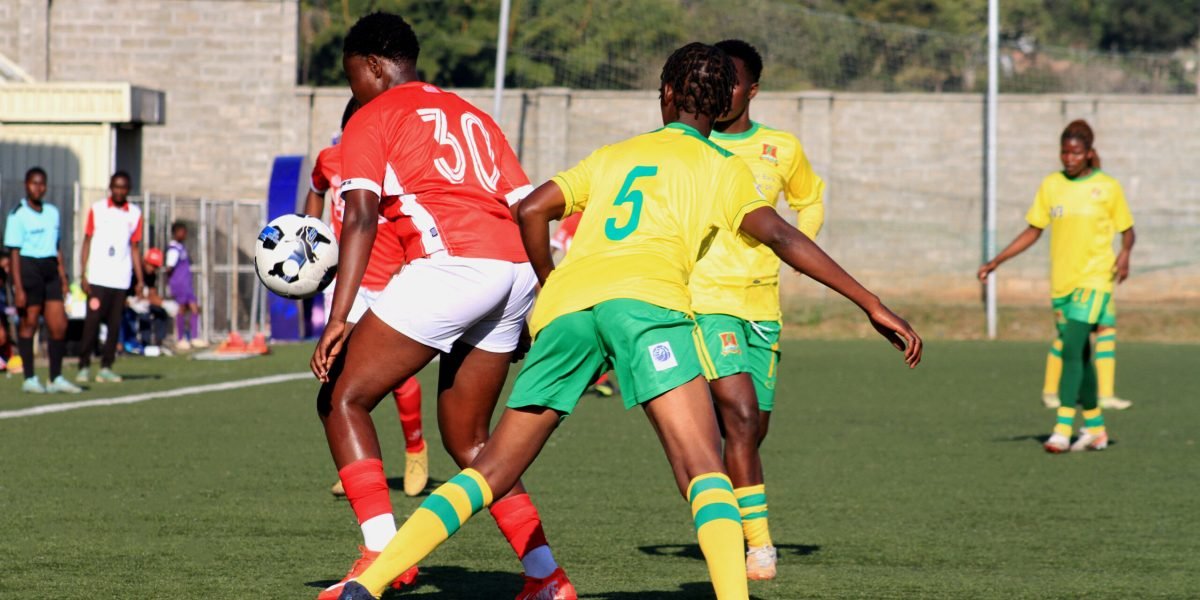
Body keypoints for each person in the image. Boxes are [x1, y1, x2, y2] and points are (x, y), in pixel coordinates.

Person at [339, 42, 921, 600]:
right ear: (723, 107)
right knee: (702, 465)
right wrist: (870, 302)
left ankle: (371, 582)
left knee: (490, 467)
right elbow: (782, 236)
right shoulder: (722, 166)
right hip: (647, 307)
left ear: (665, 93)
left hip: (570, 310)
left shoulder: (615, 154)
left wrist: (551, 282)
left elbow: (533, 207)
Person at [308, 12, 572, 600]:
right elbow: (526, 206)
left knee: (341, 397)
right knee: (473, 442)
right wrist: (532, 297)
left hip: (454, 264)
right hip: (513, 269)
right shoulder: (473, 114)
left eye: (352, 77)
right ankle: (547, 577)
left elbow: (361, 217)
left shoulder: (372, 115)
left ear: (372, 65)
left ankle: (383, 558)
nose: (354, 89)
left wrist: (338, 317)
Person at [687, 38, 826, 580]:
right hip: (707, 301)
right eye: (715, 81)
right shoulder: (691, 144)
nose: (722, 91)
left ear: (752, 90)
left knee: (750, 430)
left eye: (733, 82)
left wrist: (799, 253)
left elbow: (809, 200)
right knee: (741, 418)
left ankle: (721, 514)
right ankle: (759, 547)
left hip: (762, 306)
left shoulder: (781, 148)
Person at [978, 119, 1134, 453]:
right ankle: (1096, 429)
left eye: (1075, 153)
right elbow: (1033, 230)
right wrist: (997, 261)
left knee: (1071, 348)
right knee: (1082, 355)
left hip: (1095, 280)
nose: (1069, 158)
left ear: (1088, 153)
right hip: (1062, 284)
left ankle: (1062, 429)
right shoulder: (1052, 185)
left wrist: (1124, 255)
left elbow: (1128, 230)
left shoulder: (1107, 187)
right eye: (1064, 152)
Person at [302, 97, 430, 500]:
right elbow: (316, 189)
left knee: (397, 375)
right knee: (340, 373)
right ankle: (355, 464)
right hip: (348, 285)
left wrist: (409, 263)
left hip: (392, 278)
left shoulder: (396, 161)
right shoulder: (329, 159)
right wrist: (309, 232)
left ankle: (415, 450)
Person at [3, 167, 80, 393]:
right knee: (30, 323)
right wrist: (18, 287)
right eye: (34, 183)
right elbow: (14, 253)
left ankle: (55, 377)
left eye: (42, 184)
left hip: (50, 269)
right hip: (29, 268)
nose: (38, 188)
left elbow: (57, 247)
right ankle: (29, 378)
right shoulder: (17, 215)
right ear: (26, 185)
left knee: (59, 324)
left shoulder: (52, 212)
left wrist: (63, 278)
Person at [77, 171, 145, 383]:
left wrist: (140, 279)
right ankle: (84, 365)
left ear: (128, 189)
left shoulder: (134, 214)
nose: (119, 191)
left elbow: (134, 248)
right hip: (98, 276)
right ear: (110, 187)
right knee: (92, 323)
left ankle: (106, 366)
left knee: (115, 325)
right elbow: (87, 241)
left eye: (123, 187)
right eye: (116, 186)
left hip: (120, 278)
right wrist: (83, 272)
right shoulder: (98, 209)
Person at [165, 222, 206, 350]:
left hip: (187, 284)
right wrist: (171, 283)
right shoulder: (173, 249)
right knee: (181, 309)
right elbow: (169, 268)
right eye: (182, 232)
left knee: (194, 308)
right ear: (176, 232)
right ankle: (180, 339)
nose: (184, 234)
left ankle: (194, 337)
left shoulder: (181, 247)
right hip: (179, 284)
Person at [128, 247, 171, 350]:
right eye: (151, 265)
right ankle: (144, 343)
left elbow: (152, 294)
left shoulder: (152, 275)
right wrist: (133, 302)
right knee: (144, 316)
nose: (153, 269)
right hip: (129, 303)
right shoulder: (133, 272)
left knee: (160, 311)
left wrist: (164, 303)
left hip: (142, 302)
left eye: (155, 267)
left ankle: (159, 342)